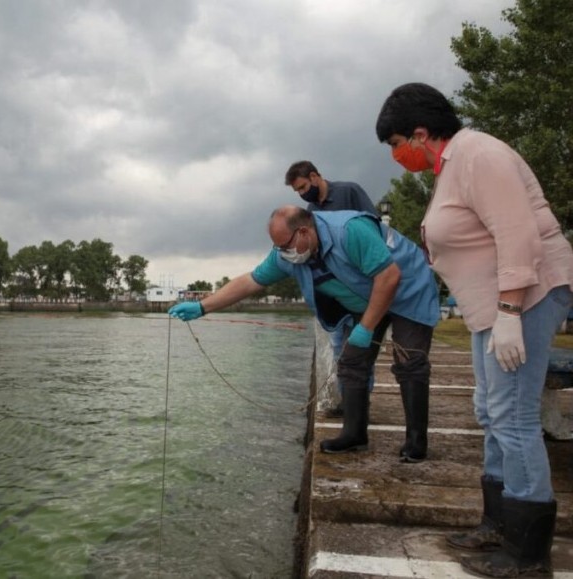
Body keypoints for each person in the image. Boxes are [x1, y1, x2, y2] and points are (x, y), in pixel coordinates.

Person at [375, 82, 573, 577]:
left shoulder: (478, 153)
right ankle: (498, 523)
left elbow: (518, 232)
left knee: (514, 416)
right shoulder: (449, 168)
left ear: (421, 133)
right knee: (490, 410)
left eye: (397, 144)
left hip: (526, 294)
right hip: (493, 306)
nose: (398, 155)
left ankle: (528, 555)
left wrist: (509, 312)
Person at [169, 205, 439, 463]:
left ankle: (416, 441)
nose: (283, 253)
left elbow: (389, 277)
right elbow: (250, 281)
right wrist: (203, 306)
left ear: (304, 233)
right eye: (277, 248)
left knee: (409, 362)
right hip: (364, 298)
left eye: (285, 246)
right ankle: (354, 433)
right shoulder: (288, 255)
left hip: (407, 289)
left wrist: (366, 327)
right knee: (351, 362)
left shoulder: (349, 230)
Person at [285, 161, 380, 417]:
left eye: (304, 187)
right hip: (334, 290)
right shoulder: (311, 210)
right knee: (339, 346)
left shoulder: (350, 191)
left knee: (360, 349)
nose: (303, 194)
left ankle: (361, 403)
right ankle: (346, 400)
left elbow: (375, 227)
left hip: (360, 285)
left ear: (315, 176)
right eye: (297, 192)